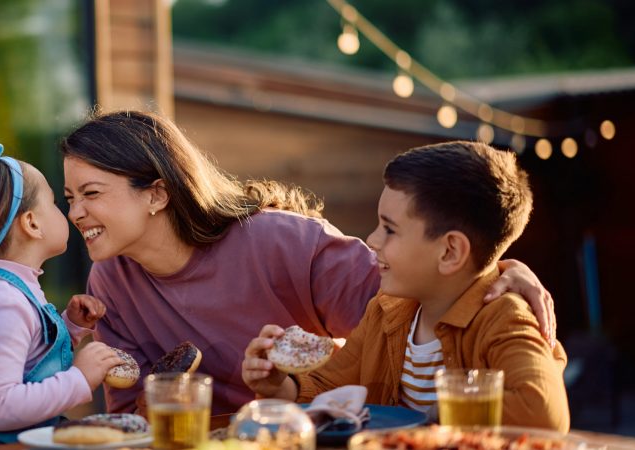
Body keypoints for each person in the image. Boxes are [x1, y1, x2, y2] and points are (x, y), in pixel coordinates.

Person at [59, 110, 557, 415]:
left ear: (157, 195)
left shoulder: (283, 243)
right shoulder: (110, 282)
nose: (76, 211)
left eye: (91, 193)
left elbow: (414, 296)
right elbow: (130, 416)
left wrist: (502, 271)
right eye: (68, 196)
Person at [241, 141, 569, 431]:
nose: (372, 239)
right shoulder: (386, 311)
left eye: (390, 229)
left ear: (450, 251)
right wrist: (281, 386)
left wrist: (434, 416)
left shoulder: (504, 316)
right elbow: (329, 386)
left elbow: (544, 413)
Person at [0, 145, 122, 443]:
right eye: (55, 202)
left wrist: (69, 326)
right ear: (31, 223)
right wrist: (79, 379)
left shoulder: (10, 290)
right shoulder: (4, 300)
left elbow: (25, 357)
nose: (68, 213)